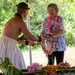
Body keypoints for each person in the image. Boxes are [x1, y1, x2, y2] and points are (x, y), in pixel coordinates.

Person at [0, 2, 41, 70]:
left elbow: (14, 39)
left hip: (3, 45)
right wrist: (40, 39)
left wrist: (27, 43)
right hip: (8, 47)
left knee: (8, 69)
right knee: (17, 67)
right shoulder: (20, 22)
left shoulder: (12, 19)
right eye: (27, 11)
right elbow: (30, 37)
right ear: (25, 11)